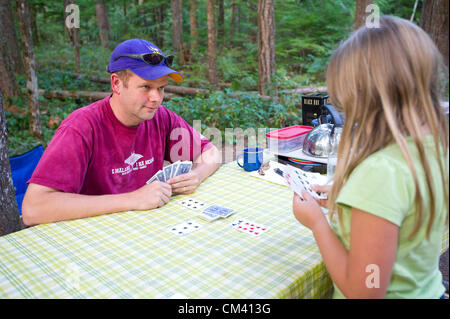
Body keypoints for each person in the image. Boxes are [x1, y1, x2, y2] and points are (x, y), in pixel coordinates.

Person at [292, 16, 449, 299]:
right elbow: (405, 208)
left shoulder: (380, 172)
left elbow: (364, 291)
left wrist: (317, 223)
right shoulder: (436, 146)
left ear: (363, 98)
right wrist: (354, 200)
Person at [22, 39, 221, 226]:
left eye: (161, 88)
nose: (156, 98)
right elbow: (33, 208)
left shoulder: (161, 117)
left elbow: (211, 153)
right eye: (146, 87)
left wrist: (196, 175)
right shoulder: (81, 127)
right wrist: (132, 199)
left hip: (144, 230)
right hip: (93, 237)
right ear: (116, 83)